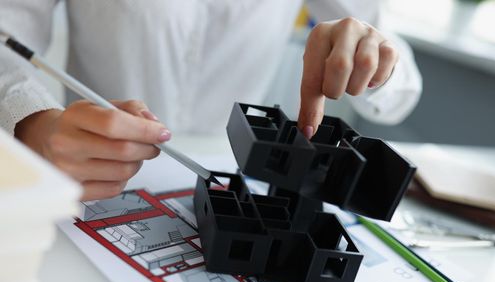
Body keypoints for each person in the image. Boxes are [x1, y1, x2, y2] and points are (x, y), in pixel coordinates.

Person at [0, 0, 421, 200]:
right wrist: (33, 121)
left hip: (239, 177)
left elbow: (402, 88)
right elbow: (6, 36)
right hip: (87, 178)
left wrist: (372, 55)